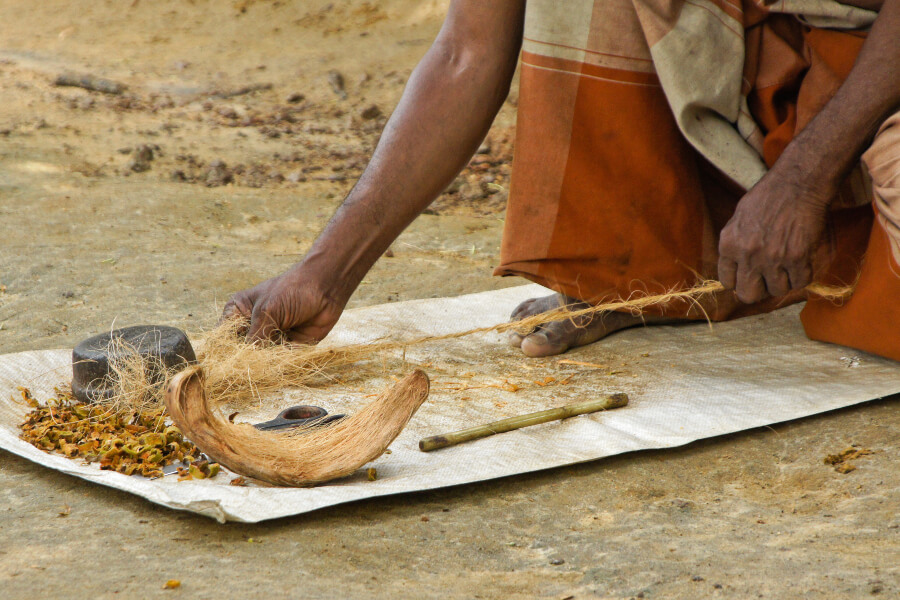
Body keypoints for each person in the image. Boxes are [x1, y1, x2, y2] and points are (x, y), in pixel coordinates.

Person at [223, 0, 900, 362]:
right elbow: (467, 51)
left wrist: (803, 183)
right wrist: (326, 273)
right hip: (753, 89)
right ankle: (648, 265)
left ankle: (835, 238)